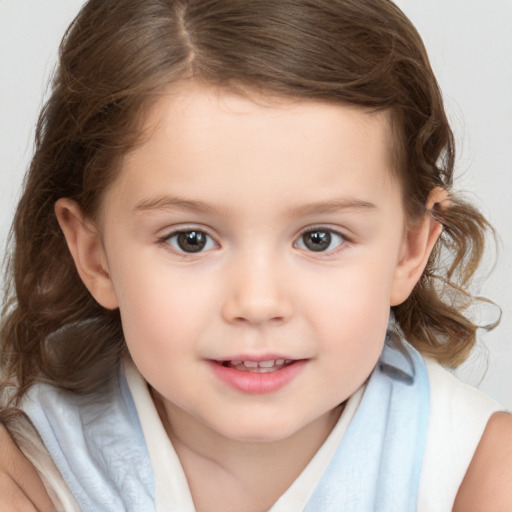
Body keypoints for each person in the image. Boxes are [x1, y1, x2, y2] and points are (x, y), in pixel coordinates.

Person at [0, 0, 511, 510]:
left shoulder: (478, 471)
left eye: (319, 238)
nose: (258, 302)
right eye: (190, 239)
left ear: (410, 248)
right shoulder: (29, 467)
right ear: (95, 255)